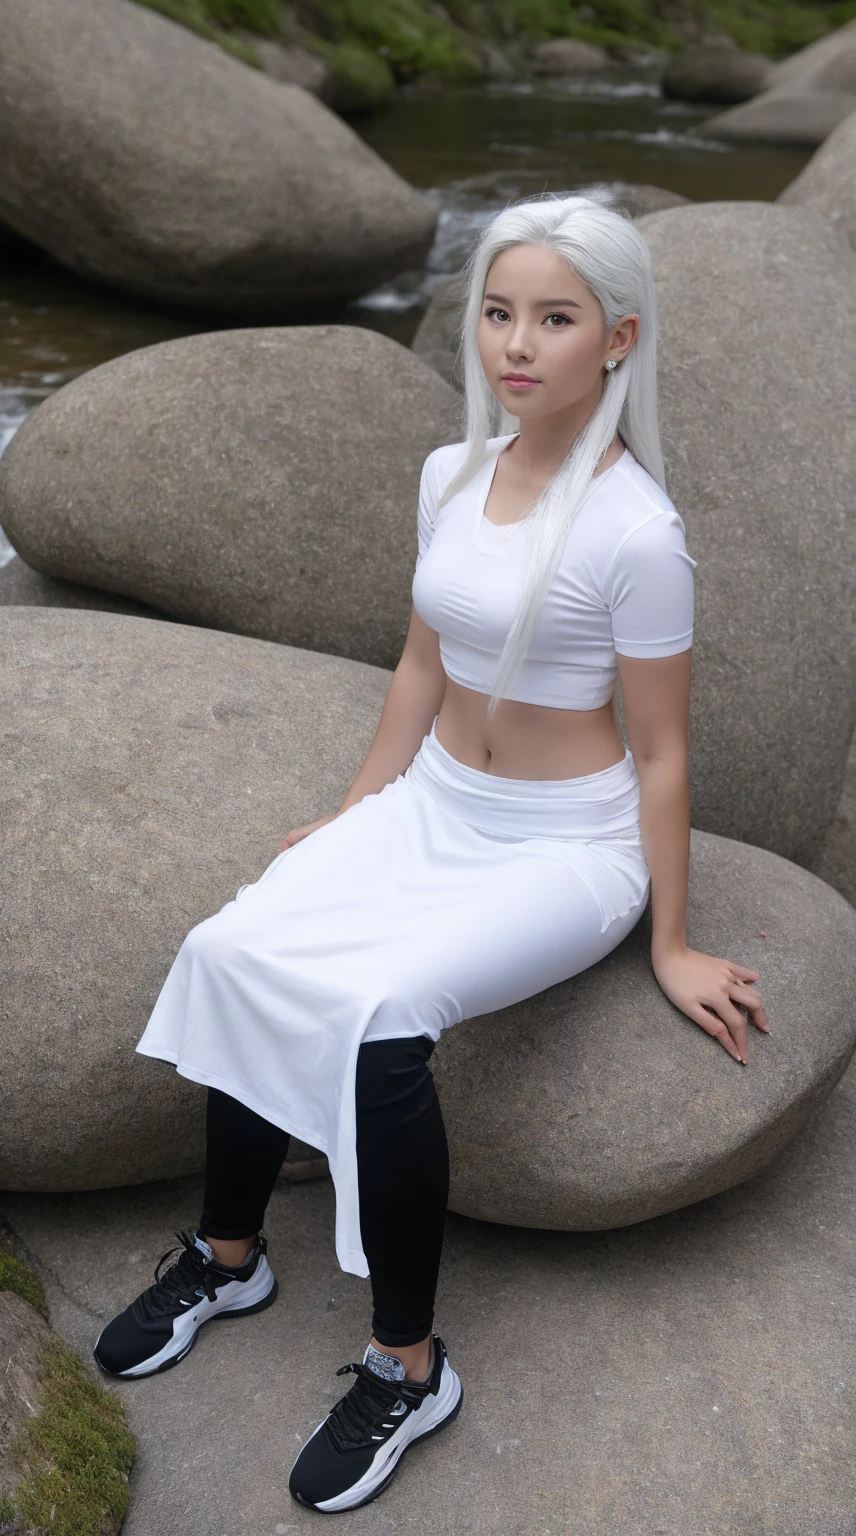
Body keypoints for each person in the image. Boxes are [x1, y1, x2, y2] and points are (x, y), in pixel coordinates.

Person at [92, 191, 770, 1513]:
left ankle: (407, 1367)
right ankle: (231, 1256)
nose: (516, 342)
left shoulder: (641, 535)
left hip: (565, 850)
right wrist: (357, 812)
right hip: (433, 805)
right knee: (240, 943)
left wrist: (673, 941)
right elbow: (418, 660)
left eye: (555, 319)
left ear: (618, 339)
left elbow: (667, 753)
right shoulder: (448, 474)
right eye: (500, 312)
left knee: (385, 1017)